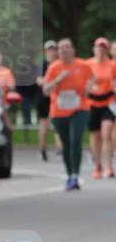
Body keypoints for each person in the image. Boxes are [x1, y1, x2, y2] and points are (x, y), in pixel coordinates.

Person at [42, 38, 94, 190]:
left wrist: (88, 87)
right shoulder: (54, 67)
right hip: (59, 111)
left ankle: (75, 175)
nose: (64, 50)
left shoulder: (82, 65)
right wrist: (58, 80)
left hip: (80, 108)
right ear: (58, 52)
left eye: (67, 47)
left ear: (73, 50)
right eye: (61, 48)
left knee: (75, 139)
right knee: (66, 144)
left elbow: (92, 78)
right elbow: (46, 91)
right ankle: (69, 174)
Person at [85, 37, 115, 179]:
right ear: (94, 49)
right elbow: (82, 82)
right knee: (95, 136)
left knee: (107, 133)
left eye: (104, 48)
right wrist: (89, 86)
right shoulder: (87, 64)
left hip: (108, 103)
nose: (101, 50)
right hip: (92, 103)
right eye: (99, 47)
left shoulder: (112, 65)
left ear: (107, 50)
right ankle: (98, 165)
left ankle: (109, 167)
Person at [35, 40, 60, 160]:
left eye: (54, 49)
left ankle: (60, 149)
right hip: (44, 97)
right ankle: (42, 149)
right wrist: (54, 81)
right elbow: (39, 81)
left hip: (58, 97)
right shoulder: (42, 65)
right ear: (45, 51)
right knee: (44, 124)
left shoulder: (60, 64)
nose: (52, 52)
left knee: (58, 122)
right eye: (49, 50)